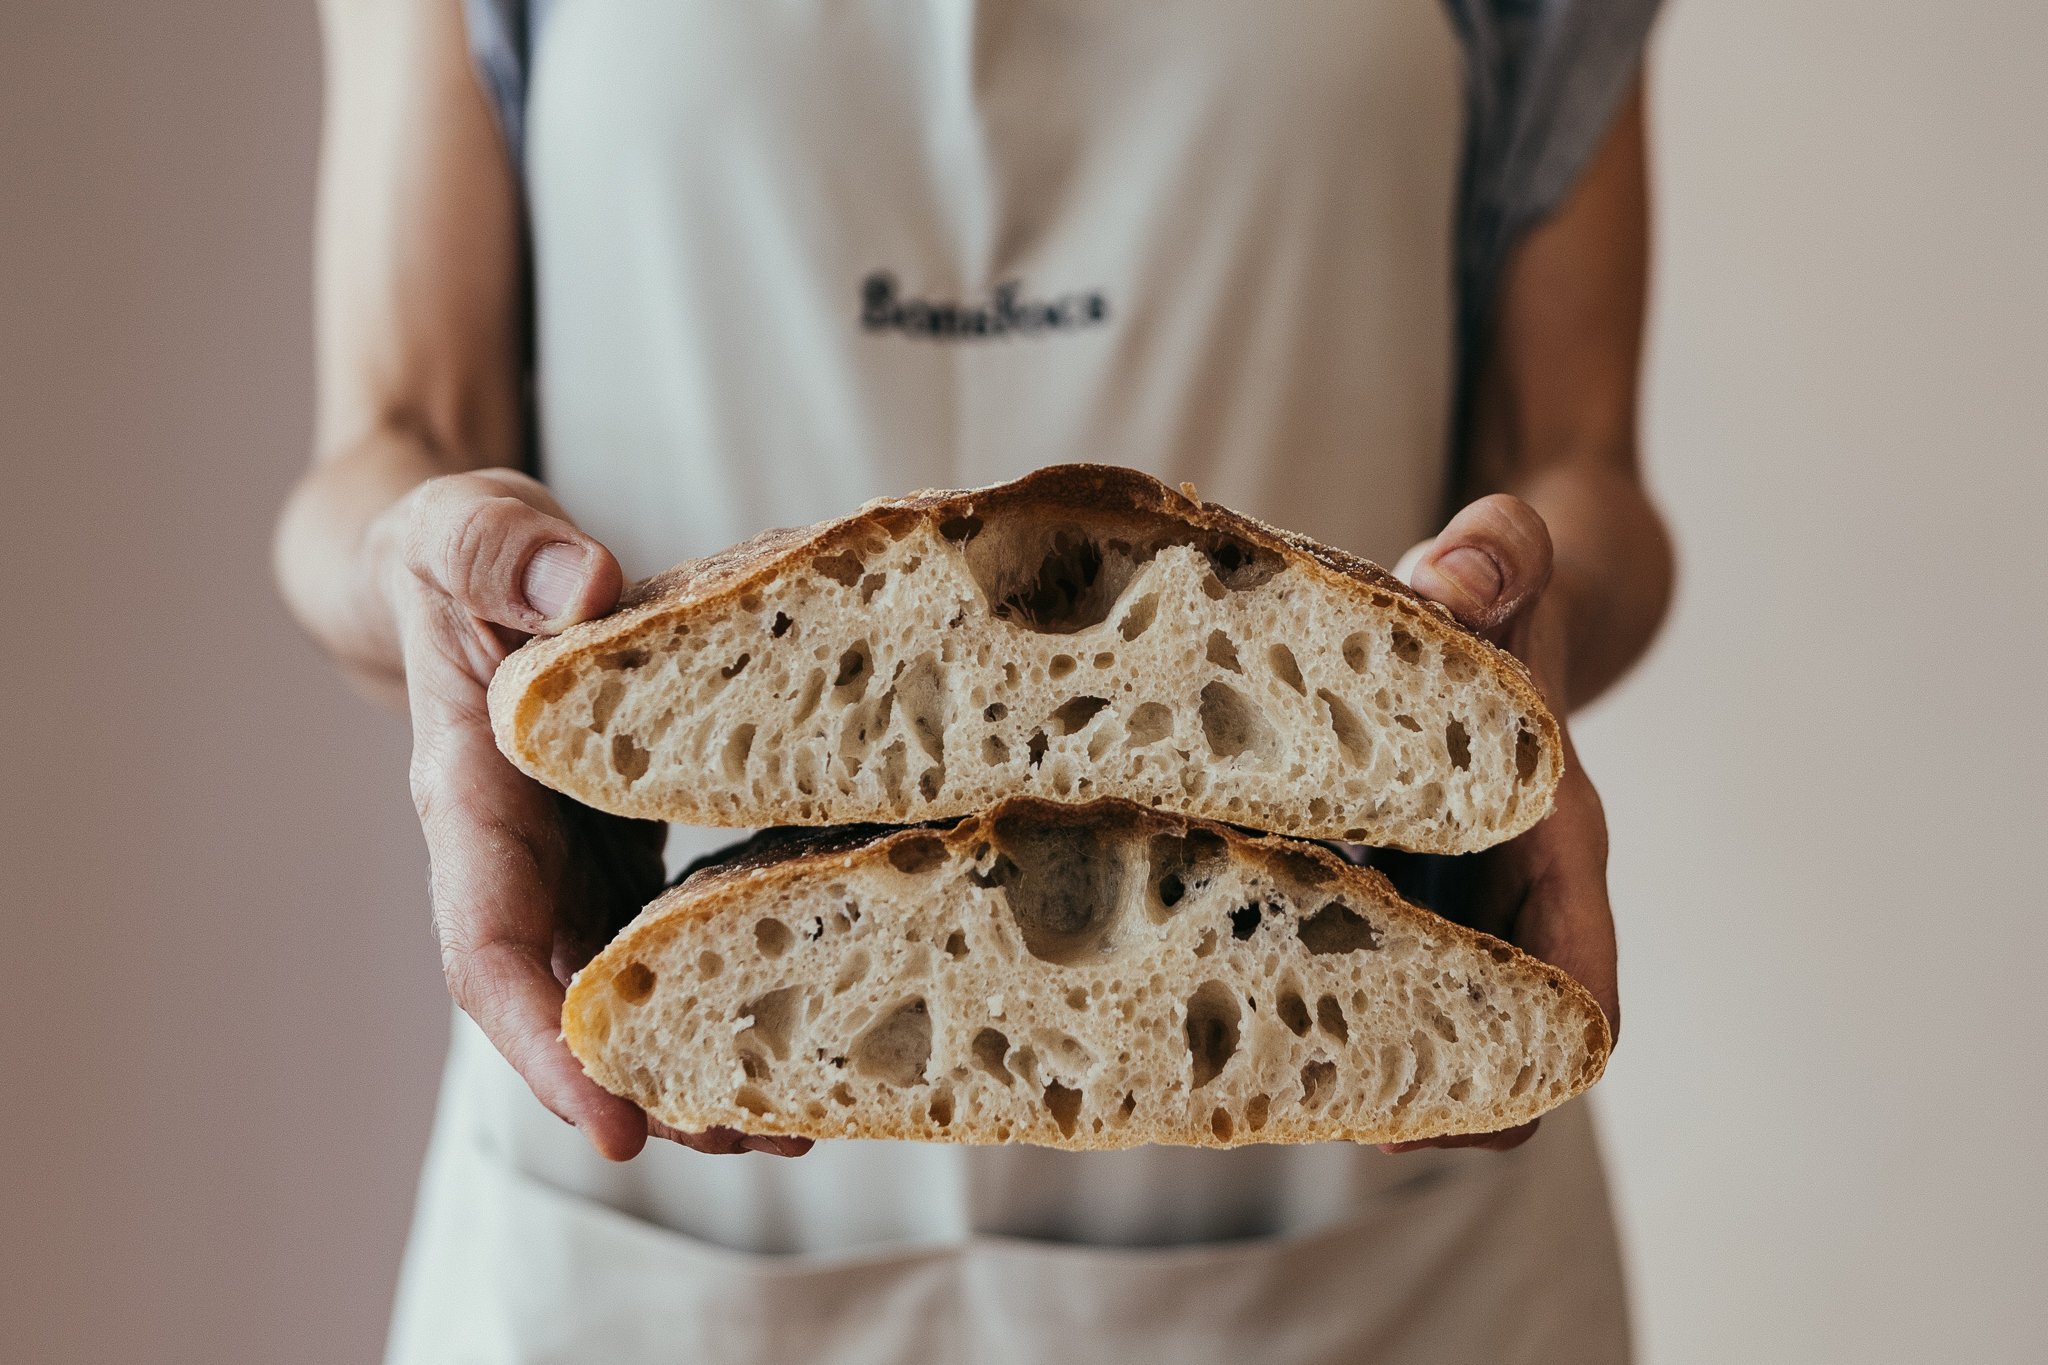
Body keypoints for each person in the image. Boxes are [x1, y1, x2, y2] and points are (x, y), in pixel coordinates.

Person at [276, 2, 1673, 1360]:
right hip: (647, 1205)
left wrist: (1520, 618)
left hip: (1367, 1197)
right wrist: (421, 562)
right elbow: (399, 432)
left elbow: (1578, 463)